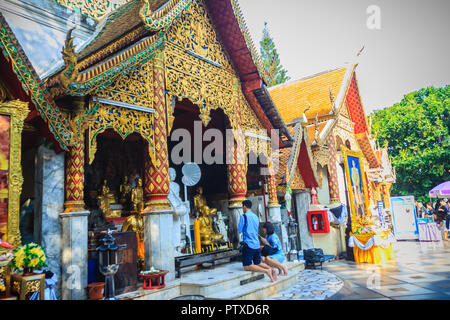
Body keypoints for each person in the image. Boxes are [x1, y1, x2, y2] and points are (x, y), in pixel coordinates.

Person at [238, 200, 277, 282]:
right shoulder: (255, 216)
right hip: (256, 244)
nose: (242, 208)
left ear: (244, 206)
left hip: (248, 244)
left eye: (242, 207)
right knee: (258, 262)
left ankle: (266, 271)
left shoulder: (243, 216)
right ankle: (271, 268)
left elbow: (239, 230)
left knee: (247, 266)